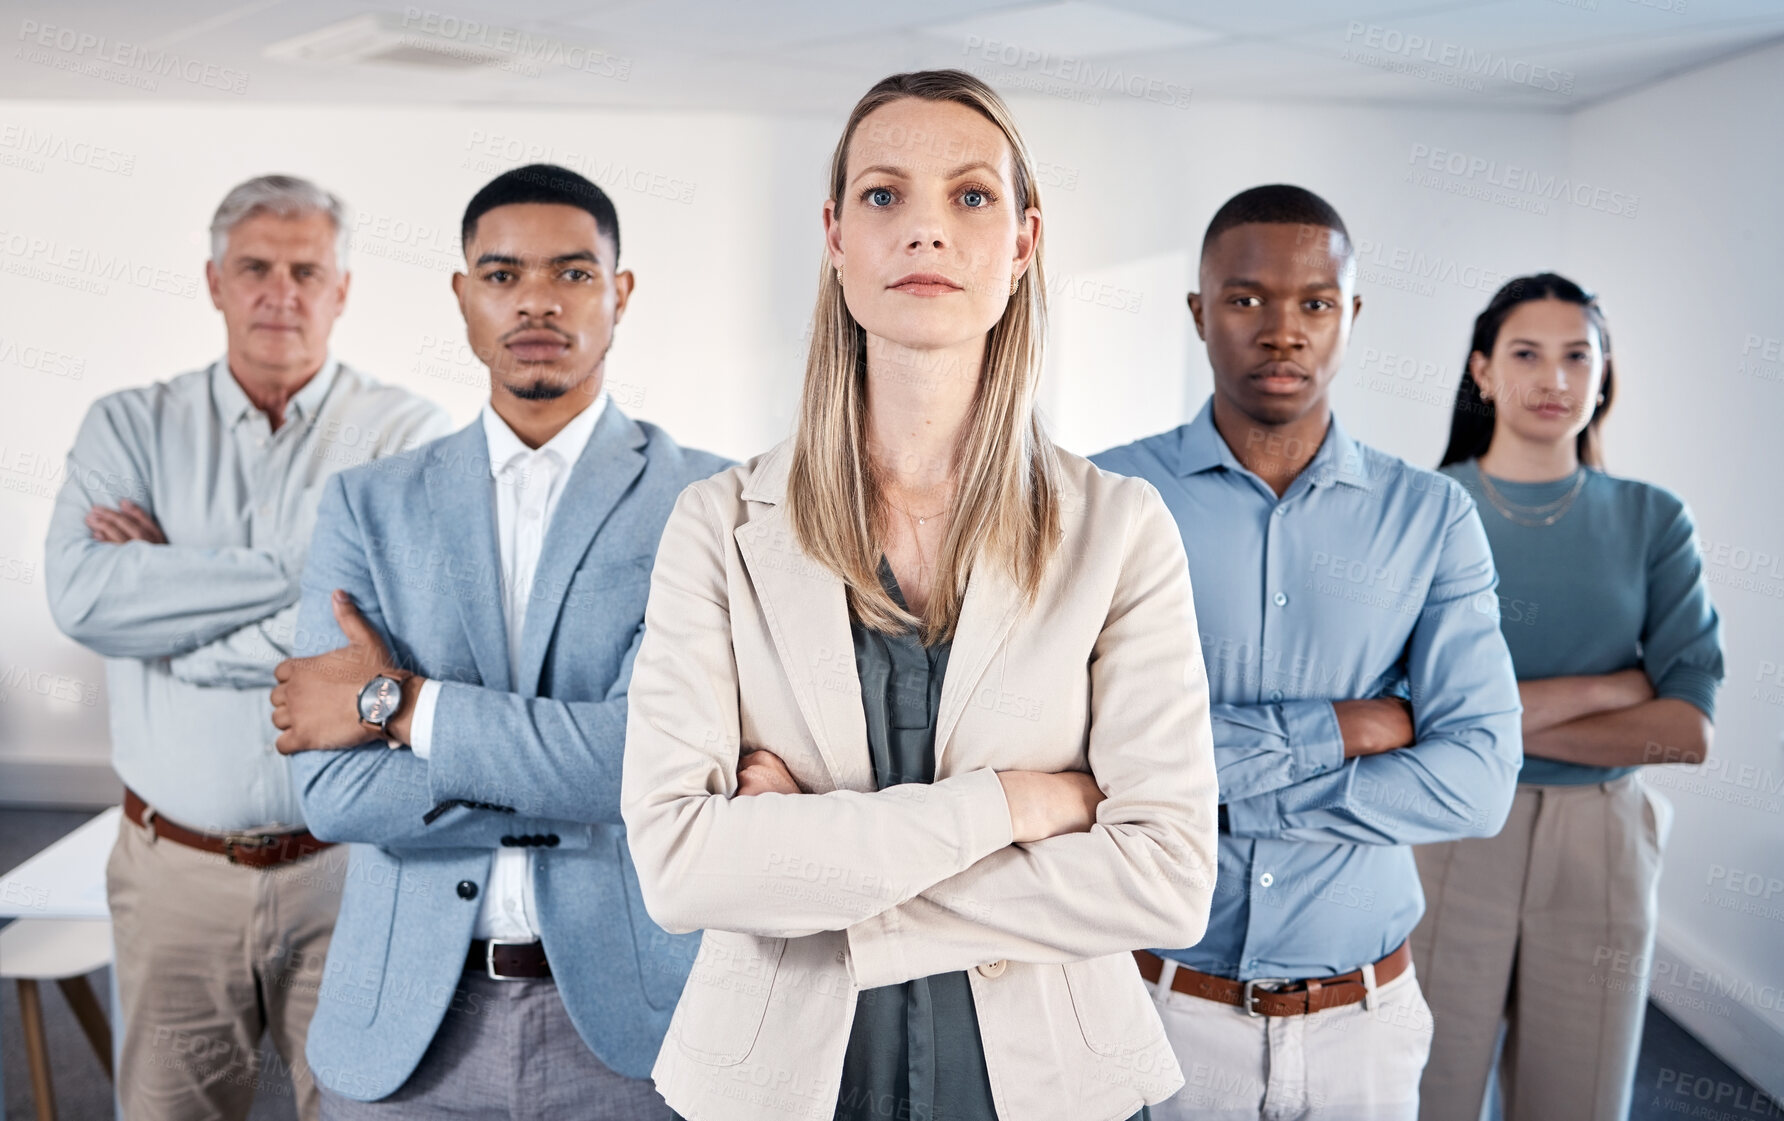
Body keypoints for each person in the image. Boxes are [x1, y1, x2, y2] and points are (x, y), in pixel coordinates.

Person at [620, 69, 1220, 1121]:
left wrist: (810, 860)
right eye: (884, 195)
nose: (926, 232)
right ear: (835, 236)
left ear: (1023, 243)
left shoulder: (1120, 530)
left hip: (1044, 1081)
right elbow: (678, 868)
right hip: (776, 1078)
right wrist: (1019, 804)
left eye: (971, 196)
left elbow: (1165, 878)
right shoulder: (716, 524)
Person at [272, 164, 730, 1119]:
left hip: (636, 1021)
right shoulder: (370, 503)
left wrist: (401, 705)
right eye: (501, 273)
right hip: (406, 1027)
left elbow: (645, 761)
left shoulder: (709, 501)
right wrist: (582, 786)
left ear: (620, 293)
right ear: (463, 295)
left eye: (571, 273)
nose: (536, 302)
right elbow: (332, 792)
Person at [1090, 184, 1524, 1121]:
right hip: (1154, 1008)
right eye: (1246, 299)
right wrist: (1346, 727)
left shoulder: (1432, 518)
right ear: (1199, 312)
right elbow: (1078, 753)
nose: (1282, 330)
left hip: (1363, 1024)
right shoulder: (1104, 498)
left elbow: (1479, 780)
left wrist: (1211, 785)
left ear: (1350, 316)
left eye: (1315, 303)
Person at [42, 174, 449, 1121]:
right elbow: (82, 595)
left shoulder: (404, 432)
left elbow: (403, 630)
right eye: (256, 268)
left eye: (307, 270)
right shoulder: (128, 424)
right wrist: (306, 575)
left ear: (342, 289)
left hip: (351, 871)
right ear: (215, 281)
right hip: (174, 873)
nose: (282, 291)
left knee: (364, 1108)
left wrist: (174, 607)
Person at [1411, 273, 1724, 1121]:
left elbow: (1686, 730)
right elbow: (1405, 715)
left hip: (1601, 845)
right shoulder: (1423, 508)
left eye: (1576, 355)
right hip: (1452, 832)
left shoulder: (1655, 519)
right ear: (1481, 371)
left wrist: (1485, 716)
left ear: (1603, 373)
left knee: (1578, 1103)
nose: (1553, 379)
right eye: (1526, 354)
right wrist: (1606, 688)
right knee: (1426, 1093)